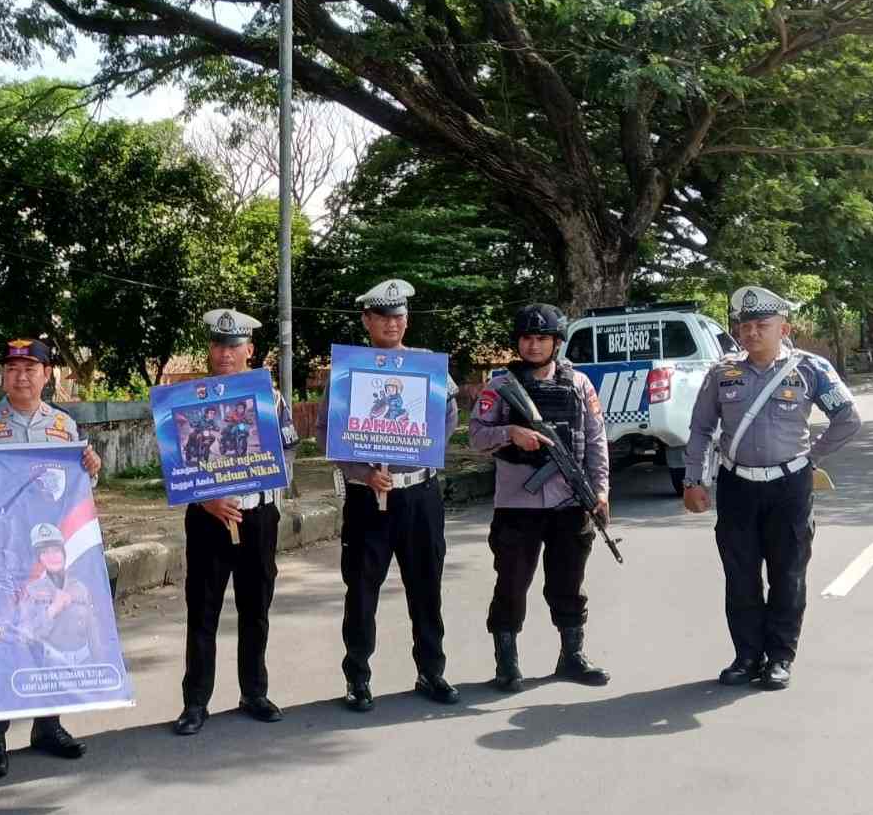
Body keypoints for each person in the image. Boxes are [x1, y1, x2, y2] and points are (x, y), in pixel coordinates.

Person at [682, 286, 861, 690]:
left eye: (762, 325)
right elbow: (701, 429)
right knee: (740, 576)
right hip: (737, 486)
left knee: (788, 574)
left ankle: (780, 657)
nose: (751, 333)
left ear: (784, 328)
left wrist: (812, 458)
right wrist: (693, 479)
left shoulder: (811, 369)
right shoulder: (722, 373)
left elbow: (848, 418)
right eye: (745, 326)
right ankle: (747, 657)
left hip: (789, 487)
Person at [0, 338, 103, 778]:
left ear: (47, 375)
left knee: (49, 636)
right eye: (12, 369)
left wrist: (92, 468)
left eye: (30, 369)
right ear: (2, 375)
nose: (21, 377)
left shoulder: (65, 426)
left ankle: (48, 726)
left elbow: (77, 489)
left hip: (48, 551)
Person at [315, 279, 460, 710]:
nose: (391, 323)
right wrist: (362, 471)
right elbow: (326, 431)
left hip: (419, 494)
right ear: (367, 320)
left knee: (426, 587)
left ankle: (431, 671)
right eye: (382, 316)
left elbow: (449, 414)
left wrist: (424, 450)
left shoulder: (426, 366)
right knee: (361, 591)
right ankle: (357, 678)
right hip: (367, 499)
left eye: (398, 316)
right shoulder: (347, 371)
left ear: (406, 319)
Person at [469, 304, 612, 691]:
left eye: (542, 339)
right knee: (512, 584)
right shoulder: (500, 387)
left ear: (556, 343)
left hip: (570, 502)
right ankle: (507, 663)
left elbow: (595, 440)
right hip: (517, 504)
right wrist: (510, 433)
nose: (534, 346)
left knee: (569, 583)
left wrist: (600, 491)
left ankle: (572, 656)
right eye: (527, 338)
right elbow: (476, 436)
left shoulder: (579, 384)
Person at [173, 309, 298, 736]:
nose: (225, 353)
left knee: (256, 606)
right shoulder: (189, 400)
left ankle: (254, 692)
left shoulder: (270, 399)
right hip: (207, 516)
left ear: (250, 350)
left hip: (257, 514)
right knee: (202, 610)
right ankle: (195, 703)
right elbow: (177, 463)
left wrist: (256, 478)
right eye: (217, 345)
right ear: (210, 350)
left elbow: (288, 453)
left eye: (233, 346)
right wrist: (206, 498)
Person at [18, 524, 105, 665]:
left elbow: (94, 632)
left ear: (64, 554)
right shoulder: (32, 591)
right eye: (45, 552)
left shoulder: (80, 588)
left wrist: (100, 664)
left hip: (85, 665)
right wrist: (52, 610)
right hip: (50, 665)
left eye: (56, 550)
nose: (52, 557)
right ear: (39, 559)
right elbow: (25, 635)